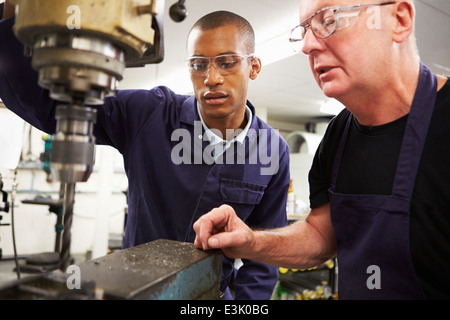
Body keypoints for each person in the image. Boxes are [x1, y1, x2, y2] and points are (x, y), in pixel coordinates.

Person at [0, 4, 291, 300]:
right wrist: (13, 14)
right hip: (135, 291)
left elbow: (263, 256)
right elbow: (49, 107)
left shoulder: (272, 149)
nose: (211, 78)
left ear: (253, 66)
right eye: (198, 64)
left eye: (227, 63)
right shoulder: (148, 114)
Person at [194, 0, 450, 300]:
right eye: (304, 31)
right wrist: (251, 242)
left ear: (400, 19)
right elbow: (321, 235)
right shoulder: (339, 134)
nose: (307, 45)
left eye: (328, 21)